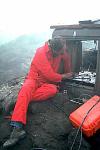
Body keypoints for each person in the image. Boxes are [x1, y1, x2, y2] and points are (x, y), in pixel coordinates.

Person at [3, 38, 73, 148]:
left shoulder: (60, 50)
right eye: (61, 52)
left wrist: (69, 71)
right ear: (53, 50)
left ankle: (22, 100)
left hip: (46, 83)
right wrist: (65, 76)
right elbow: (50, 75)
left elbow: (66, 58)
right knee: (26, 89)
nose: (62, 53)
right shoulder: (41, 53)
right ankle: (17, 128)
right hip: (34, 79)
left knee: (52, 90)